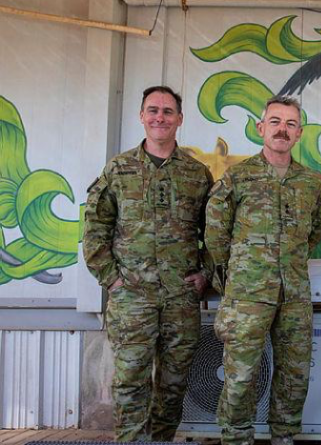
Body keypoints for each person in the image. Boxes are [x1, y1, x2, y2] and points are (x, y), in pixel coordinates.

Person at [83, 86, 213, 441]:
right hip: (131, 297)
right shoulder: (119, 169)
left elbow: (215, 233)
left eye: (168, 111)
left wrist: (205, 275)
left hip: (179, 297)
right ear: (141, 116)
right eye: (153, 110)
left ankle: (160, 441)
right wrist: (110, 279)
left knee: (174, 383)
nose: (160, 117)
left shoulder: (197, 174)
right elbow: (95, 227)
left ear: (180, 120)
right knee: (130, 381)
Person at [205, 96, 321, 445]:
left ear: (299, 133)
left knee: (294, 375)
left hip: (294, 295)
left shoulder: (310, 182)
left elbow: (314, 231)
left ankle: (284, 438)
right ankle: (236, 438)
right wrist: (236, 276)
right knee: (241, 376)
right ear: (261, 128)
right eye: (275, 122)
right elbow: (215, 233)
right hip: (247, 294)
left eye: (290, 124)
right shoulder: (238, 177)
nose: (282, 130)